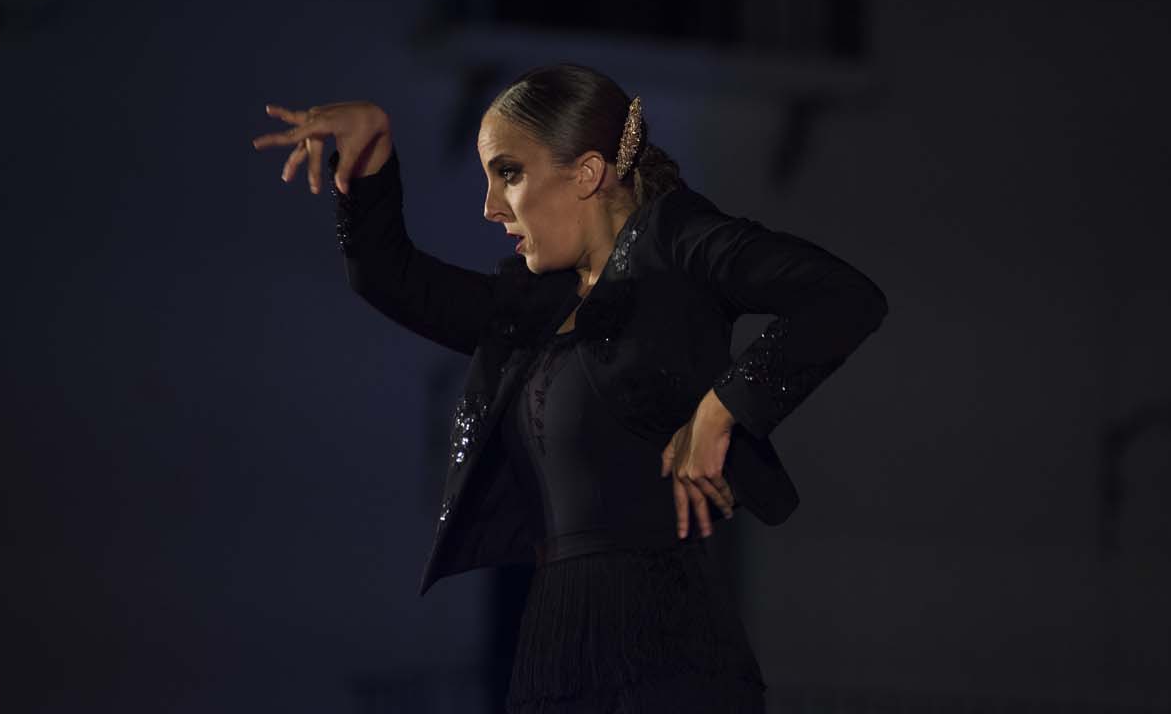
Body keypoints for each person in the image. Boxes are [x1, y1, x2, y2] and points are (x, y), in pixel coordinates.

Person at [252, 62, 888, 712]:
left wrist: (722, 410)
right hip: (553, 651)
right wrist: (371, 150)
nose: (490, 207)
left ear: (585, 173)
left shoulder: (675, 241)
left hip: (670, 648)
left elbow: (843, 297)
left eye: (509, 173)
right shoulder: (532, 305)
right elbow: (389, 278)